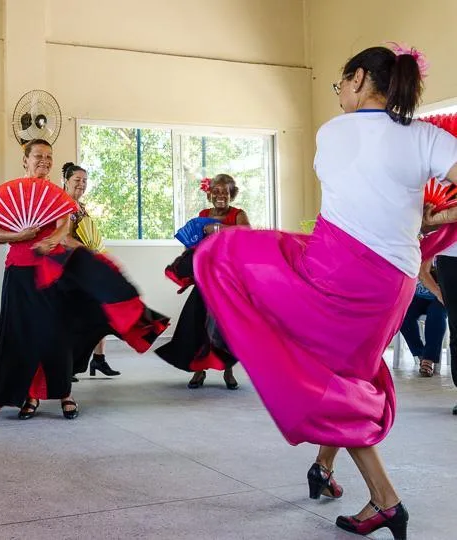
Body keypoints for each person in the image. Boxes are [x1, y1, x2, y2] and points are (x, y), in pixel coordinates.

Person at [184, 45, 457, 538]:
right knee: (347, 370)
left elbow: (351, 194)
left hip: (335, 268)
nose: (338, 96)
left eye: (339, 86)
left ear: (357, 79)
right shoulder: (427, 137)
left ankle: (387, 499)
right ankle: (327, 470)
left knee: (223, 256)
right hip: (392, 282)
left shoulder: (331, 133)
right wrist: (433, 217)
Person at [0, 140, 168, 420]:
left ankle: (65, 393)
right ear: (25, 160)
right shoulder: (12, 193)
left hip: (51, 273)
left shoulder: (58, 195)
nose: (44, 160)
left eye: (49, 156)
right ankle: (29, 396)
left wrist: (84, 255)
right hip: (18, 272)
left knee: (56, 333)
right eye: (38, 156)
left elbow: (62, 232)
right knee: (24, 336)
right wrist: (20, 236)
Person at [156, 174, 248, 390]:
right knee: (196, 322)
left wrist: (217, 229)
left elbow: (246, 235)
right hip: (205, 277)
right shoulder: (204, 215)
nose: (220, 195)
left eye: (225, 191)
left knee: (224, 326)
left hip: (228, 279)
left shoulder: (238, 215)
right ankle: (199, 370)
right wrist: (186, 272)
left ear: (231, 193)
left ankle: (228, 370)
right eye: (216, 191)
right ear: (209, 194)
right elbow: (194, 246)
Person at [62, 161, 120, 381]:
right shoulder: (64, 206)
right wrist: (89, 252)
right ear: (66, 181)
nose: (82, 184)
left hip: (85, 266)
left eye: (85, 181)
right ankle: (67, 364)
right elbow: (66, 239)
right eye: (77, 180)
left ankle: (99, 358)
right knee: (73, 318)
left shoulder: (81, 207)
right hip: (70, 267)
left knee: (100, 310)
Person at [399, 258, 447, 377]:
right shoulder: (424, 246)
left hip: (442, 296)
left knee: (436, 314)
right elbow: (422, 273)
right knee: (403, 314)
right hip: (419, 295)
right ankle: (420, 354)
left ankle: (428, 359)